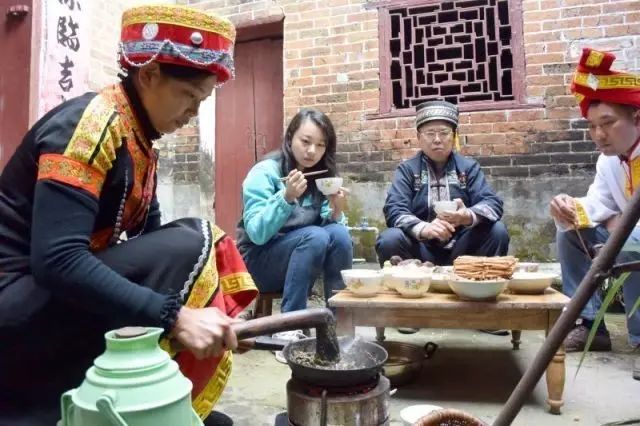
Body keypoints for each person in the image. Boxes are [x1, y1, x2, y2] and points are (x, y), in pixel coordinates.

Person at [0, 5, 258, 425]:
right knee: (194, 238)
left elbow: (149, 249)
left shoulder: (137, 140)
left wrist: (214, 320)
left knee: (184, 245)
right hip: (13, 304)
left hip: (40, 301)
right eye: (190, 97)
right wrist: (176, 318)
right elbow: (57, 261)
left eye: (202, 100)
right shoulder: (88, 127)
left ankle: (132, 388)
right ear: (149, 74)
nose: (193, 112)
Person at [550, 48, 640, 380]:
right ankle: (591, 324)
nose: (599, 135)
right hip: (628, 237)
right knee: (571, 231)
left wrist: (620, 225)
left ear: (636, 118)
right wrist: (569, 208)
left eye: (608, 123)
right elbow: (597, 207)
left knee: (633, 238)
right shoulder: (608, 161)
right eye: (592, 126)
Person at [236, 108, 352, 360]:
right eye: (306, 141)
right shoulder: (265, 172)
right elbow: (255, 233)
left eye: (321, 145)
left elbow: (330, 231)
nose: (312, 151)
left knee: (339, 234)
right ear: (290, 139)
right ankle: (289, 328)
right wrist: (286, 197)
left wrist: (336, 210)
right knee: (315, 235)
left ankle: (337, 322)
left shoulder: (321, 176)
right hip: (258, 264)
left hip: (299, 263)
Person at [376, 100, 509, 267]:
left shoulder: (468, 168)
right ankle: (409, 286)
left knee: (497, 231)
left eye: (444, 133)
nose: (437, 140)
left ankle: (479, 286)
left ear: (453, 136)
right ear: (419, 137)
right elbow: (393, 209)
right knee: (390, 238)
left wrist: (466, 216)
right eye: (430, 133)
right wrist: (424, 228)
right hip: (420, 250)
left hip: (463, 250)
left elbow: (492, 203)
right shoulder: (407, 169)